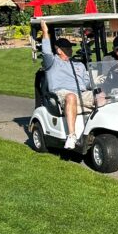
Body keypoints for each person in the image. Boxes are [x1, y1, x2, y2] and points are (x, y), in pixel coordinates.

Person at [40, 18, 101, 149]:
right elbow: (46, 52)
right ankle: (72, 136)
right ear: (59, 50)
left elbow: (87, 83)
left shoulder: (78, 64)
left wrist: (99, 83)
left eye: (70, 48)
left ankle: (103, 129)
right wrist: (45, 31)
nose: (70, 50)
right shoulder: (52, 63)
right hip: (62, 94)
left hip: (82, 93)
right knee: (71, 97)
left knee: (102, 96)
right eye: (67, 48)